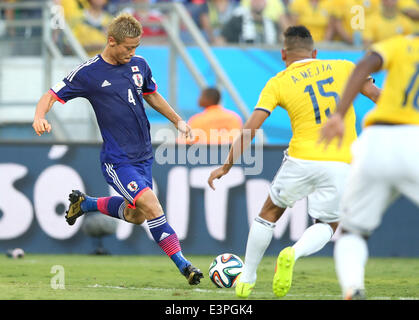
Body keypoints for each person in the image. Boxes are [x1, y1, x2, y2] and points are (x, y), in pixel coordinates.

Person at [207, 25, 380, 298]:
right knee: (328, 224)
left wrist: (227, 164)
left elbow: (251, 127)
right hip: (342, 161)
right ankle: (293, 252)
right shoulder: (345, 67)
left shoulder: (278, 81)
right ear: (315, 52)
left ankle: (247, 278)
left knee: (269, 214)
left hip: (301, 159)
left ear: (283, 54)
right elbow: (378, 97)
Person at [32, 13, 204, 286]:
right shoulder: (88, 73)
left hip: (143, 156)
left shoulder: (139, 65)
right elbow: (50, 95)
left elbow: (153, 96)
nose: (133, 52)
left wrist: (179, 122)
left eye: (136, 47)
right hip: (117, 159)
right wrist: (40, 116)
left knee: (136, 215)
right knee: (151, 205)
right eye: (128, 47)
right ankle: (184, 265)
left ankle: (86, 203)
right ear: (111, 41)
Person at [319, 34, 419, 299]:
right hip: (415, 143)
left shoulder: (402, 44)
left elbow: (364, 65)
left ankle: (353, 287)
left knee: (351, 231)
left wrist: (339, 114)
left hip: (376, 141)